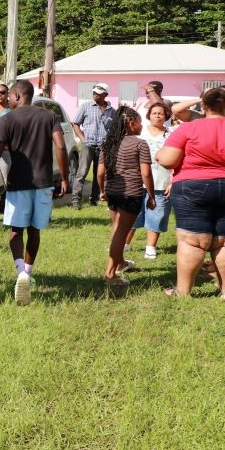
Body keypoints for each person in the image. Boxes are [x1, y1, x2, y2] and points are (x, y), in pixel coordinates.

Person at [0, 80, 69, 306]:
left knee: (16, 230)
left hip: (18, 183)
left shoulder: (7, 120)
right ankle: (28, 273)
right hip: (44, 183)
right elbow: (60, 146)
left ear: (18, 95)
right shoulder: (49, 116)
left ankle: (20, 272)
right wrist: (65, 178)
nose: (6, 99)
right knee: (35, 229)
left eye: (8, 95)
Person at [155, 88, 225, 297]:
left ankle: (183, 292)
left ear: (203, 106)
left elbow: (167, 160)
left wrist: (160, 154)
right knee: (222, 240)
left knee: (191, 240)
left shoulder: (190, 128)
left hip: (192, 186)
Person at [96, 107, 155, 288]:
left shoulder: (109, 144)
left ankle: (120, 263)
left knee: (116, 230)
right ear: (130, 123)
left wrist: (102, 190)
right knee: (121, 233)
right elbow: (146, 173)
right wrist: (152, 196)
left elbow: (100, 172)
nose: (142, 124)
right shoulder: (139, 144)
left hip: (113, 192)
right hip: (131, 193)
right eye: (139, 120)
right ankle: (110, 274)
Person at [125, 102, 173, 259]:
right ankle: (125, 244)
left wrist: (173, 180)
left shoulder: (171, 134)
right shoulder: (139, 132)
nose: (158, 116)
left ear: (166, 116)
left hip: (161, 181)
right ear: (149, 115)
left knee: (157, 214)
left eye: (161, 113)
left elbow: (177, 157)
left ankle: (150, 247)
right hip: (137, 181)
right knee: (132, 213)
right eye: (154, 113)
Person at [71, 82, 115, 209]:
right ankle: (76, 201)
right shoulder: (85, 106)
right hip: (88, 145)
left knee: (99, 174)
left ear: (105, 95)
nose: (95, 95)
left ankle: (94, 198)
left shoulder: (111, 111)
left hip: (103, 147)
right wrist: (82, 139)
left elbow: (115, 129)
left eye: (99, 94)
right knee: (81, 173)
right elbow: (75, 123)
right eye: (94, 93)